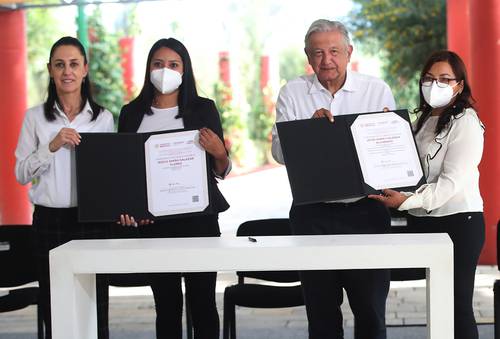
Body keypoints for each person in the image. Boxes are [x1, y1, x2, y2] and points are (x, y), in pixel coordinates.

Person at [271, 19, 396, 339]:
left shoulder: (376, 90)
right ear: (308, 56)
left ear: (349, 52)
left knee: (370, 312)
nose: (327, 60)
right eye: (318, 53)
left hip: (366, 213)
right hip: (312, 214)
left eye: (334, 51)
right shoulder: (293, 93)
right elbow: (279, 153)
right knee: (322, 313)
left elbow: (390, 154)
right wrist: (308, 134)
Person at [116, 38, 230, 339]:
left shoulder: (203, 109)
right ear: (148, 69)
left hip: (199, 220)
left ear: (184, 70)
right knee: (165, 305)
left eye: (173, 64)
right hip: (152, 224)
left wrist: (219, 152)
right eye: (158, 64)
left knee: (203, 302)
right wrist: (130, 210)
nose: (164, 71)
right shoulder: (131, 113)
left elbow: (220, 170)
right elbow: (125, 172)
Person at [369, 50, 484, 339]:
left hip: (459, 222)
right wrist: (386, 132)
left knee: (458, 306)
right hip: (424, 220)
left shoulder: (466, 121)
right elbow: (408, 167)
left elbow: (450, 183)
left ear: (459, 84)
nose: (436, 85)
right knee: (437, 303)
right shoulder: (422, 120)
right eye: (429, 79)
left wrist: (407, 201)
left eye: (445, 79)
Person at [14, 36, 114, 339]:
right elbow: (20, 173)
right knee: (53, 308)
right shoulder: (34, 118)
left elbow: (110, 176)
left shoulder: (103, 119)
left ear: (84, 69)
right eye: (59, 65)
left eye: (73, 64)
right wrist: (52, 145)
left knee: (95, 307)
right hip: (49, 223)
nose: (66, 71)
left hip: (93, 223)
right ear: (50, 70)